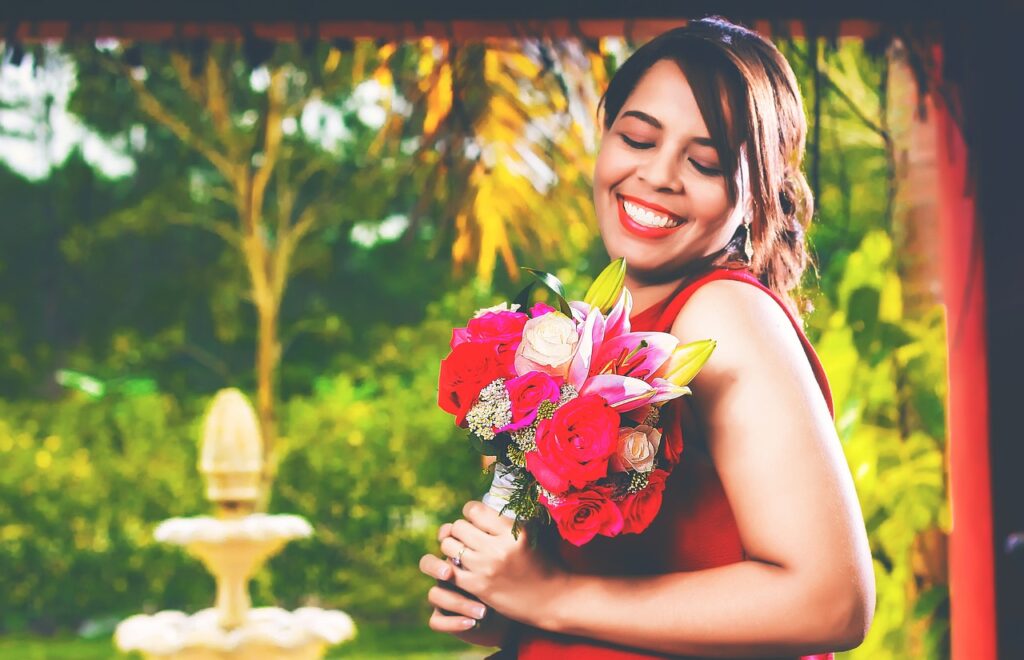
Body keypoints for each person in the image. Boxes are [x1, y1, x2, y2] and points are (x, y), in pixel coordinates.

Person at [418, 16, 875, 659]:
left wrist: (551, 597)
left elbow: (830, 601)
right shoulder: (602, 331)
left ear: (756, 194)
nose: (659, 175)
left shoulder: (720, 316)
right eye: (637, 138)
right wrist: (507, 608)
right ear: (604, 139)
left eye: (706, 161)